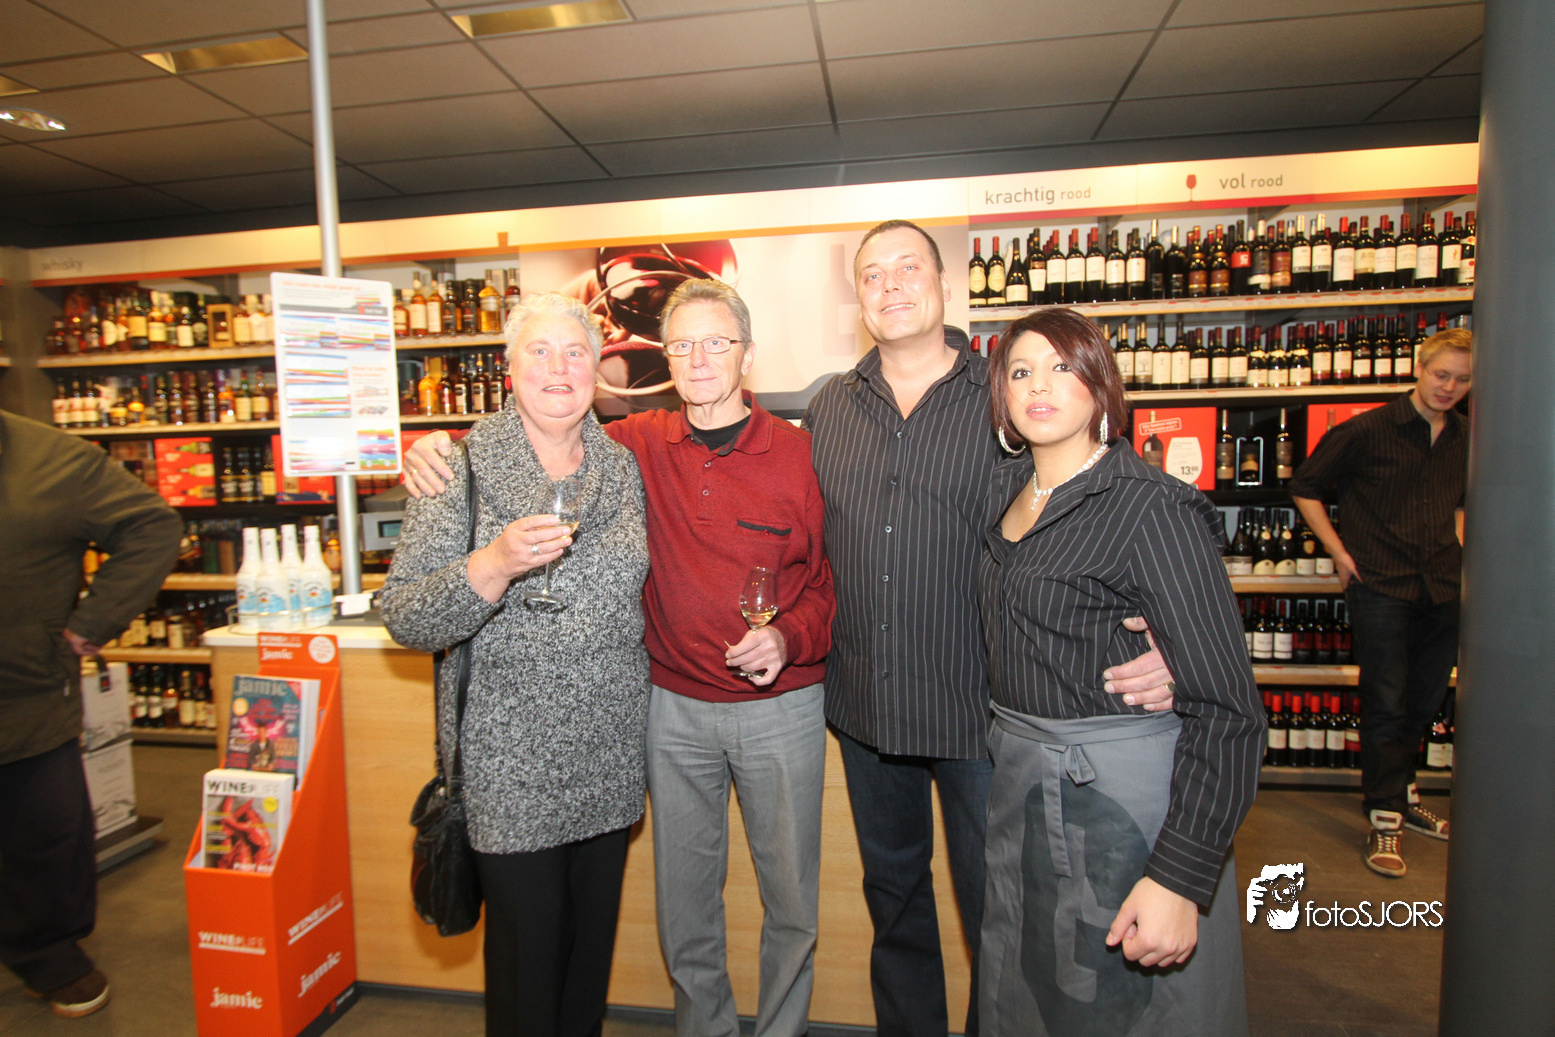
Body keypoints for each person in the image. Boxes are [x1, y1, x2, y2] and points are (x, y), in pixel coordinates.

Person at [403, 279, 835, 1037]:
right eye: (682, 345)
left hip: (751, 715)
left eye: (717, 343)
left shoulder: (792, 456)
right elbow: (413, 602)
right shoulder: (636, 445)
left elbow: (831, 584)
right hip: (659, 715)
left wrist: (789, 635)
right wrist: (430, 449)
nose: (699, 359)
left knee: (790, 904)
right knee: (683, 910)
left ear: (748, 355)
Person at [801, 220, 1177, 1037]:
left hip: (979, 707)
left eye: (908, 267)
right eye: (872, 274)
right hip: (865, 704)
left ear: (943, 285)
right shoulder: (831, 404)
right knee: (892, 899)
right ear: (858, 296)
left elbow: (1104, 499)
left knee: (996, 910)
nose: (891, 285)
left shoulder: (1005, 389)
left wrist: (1167, 631)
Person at [975, 308, 1264, 1036]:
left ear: (1100, 383)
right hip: (1023, 788)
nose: (1038, 385)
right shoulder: (1005, 494)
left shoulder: (1150, 507)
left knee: (1135, 1011)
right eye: (1020, 371)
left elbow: (1229, 710)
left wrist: (1179, 876)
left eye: (1061, 367)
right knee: (1035, 992)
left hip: (1124, 801)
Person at [380, 293, 651, 1037]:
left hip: (608, 755)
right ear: (508, 369)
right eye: (540, 350)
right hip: (511, 766)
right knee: (528, 972)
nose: (559, 367)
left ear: (597, 370)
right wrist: (492, 564)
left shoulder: (622, 465)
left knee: (586, 968)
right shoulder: (457, 465)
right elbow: (405, 614)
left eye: (576, 352)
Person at [0, 407, 183, 1019]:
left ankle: (49, 955)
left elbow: (152, 527)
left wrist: (91, 625)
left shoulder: (51, 459)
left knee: (42, 832)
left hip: (22, 693)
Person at [1291, 328, 1472, 878]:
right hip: (1381, 585)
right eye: (1441, 374)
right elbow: (1305, 485)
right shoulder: (1368, 430)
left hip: (1443, 585)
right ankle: (1385, 816)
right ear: (1420, 368)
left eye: (1462, 379)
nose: (1449, 387)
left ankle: (1403, 791)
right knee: (1386, 702)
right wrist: (1338, 552)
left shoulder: (1468, 437)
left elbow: (1463, 503)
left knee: (1424, 700)